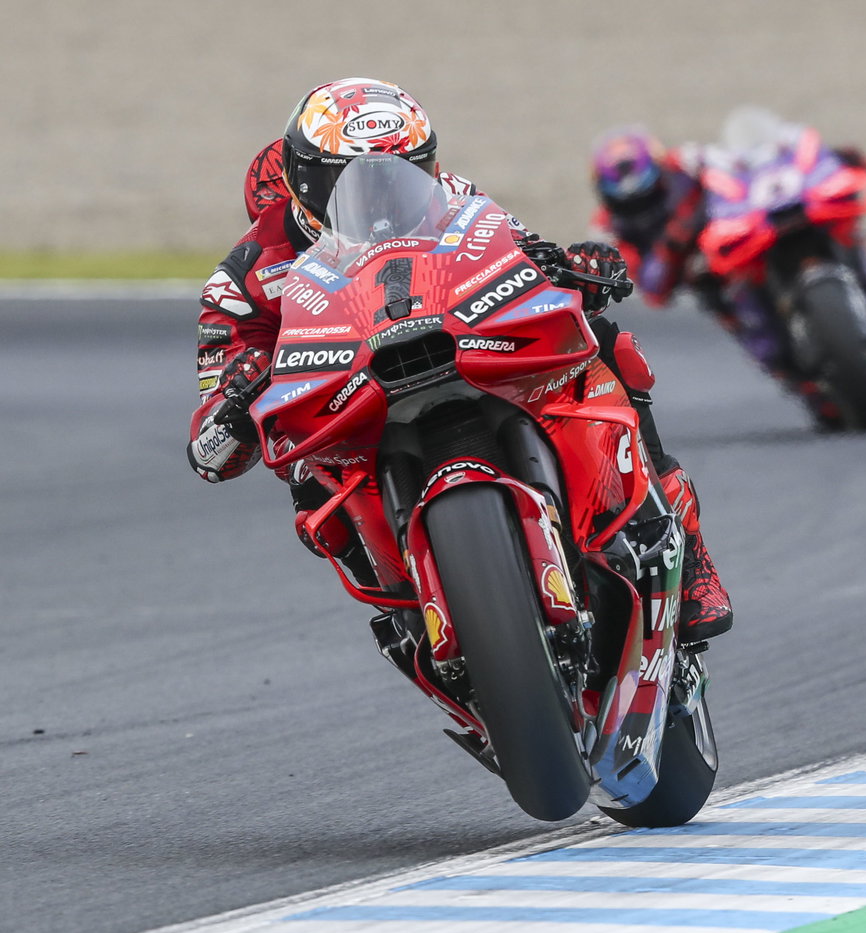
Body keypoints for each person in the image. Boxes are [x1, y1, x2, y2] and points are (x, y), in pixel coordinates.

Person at [187, 78, 732, 642]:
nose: (378, 197)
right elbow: (209, 456)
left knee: (601, 341)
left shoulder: (450, 193)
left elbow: (523, 257)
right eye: (349, 180)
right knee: (307, 478)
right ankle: (403, 615)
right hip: (351, 410)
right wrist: (236, 400)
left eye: (400, 173)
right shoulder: (243, 279)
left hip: (459, 353)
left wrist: (574, 268)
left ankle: (687, 557)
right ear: (302, 179)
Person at [589, 113, 866, 411]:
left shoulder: (685, 164)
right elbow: (653, 289)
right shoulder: (610, 229)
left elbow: (737, 165)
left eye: (645, 191)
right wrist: (673, 243)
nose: (639, 204)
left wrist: (827, 159)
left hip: (738, 227)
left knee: (840, 227)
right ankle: (796, 378)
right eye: (627, 199)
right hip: (706, 267)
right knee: (732, 307)